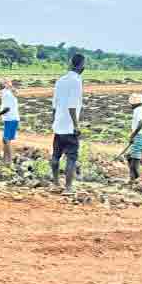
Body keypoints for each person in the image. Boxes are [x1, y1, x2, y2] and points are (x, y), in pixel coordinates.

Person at [51, 54, 85, 195]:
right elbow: (72, 106)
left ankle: (55, 183)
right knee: (71, 157)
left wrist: (54, 121)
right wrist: (76, 126)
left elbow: (54, 105)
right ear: (81, 65)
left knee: (56, 156)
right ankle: (68, 187)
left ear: (70, 63)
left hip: (58, 126)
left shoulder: (60, 80)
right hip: (69, 127)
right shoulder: (77, 81)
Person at [120, 93, 142, 184]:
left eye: (131, 104)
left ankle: (137, 181)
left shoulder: (137, 111)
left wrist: (132, 136)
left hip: (139, 137)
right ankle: (133, 178)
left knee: (134, 164)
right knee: (129, 157)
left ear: (134, 103)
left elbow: (141, 123)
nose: (130, 105)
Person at [0, 79, 19, 163]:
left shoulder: (5, 93)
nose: (0, 84)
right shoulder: (10, 92)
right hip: (14, 118)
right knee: (6, 140)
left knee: (5, 139)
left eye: (2, 82)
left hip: (10, 118)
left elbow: (7, 108)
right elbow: (16, 93)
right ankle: (5, 159)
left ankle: (10, 160)